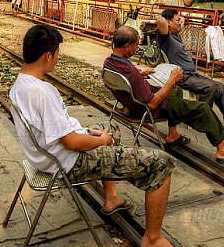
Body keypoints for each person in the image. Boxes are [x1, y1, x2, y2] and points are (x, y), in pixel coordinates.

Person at [9, 25, 176, 247]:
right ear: (48, 55)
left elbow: (64, 133)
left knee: (110, 128)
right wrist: (100, 141)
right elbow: (72, 142)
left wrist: (90, 132)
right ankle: (153, 239)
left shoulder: (20, 84)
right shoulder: (43, 93)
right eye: (57, 54)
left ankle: (111, 199)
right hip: (70, 162)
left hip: (46, 157)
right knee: (162, 163)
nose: (58, 58)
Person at [104, 26, 224, 165]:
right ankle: (223, 151)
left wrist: (141, 74)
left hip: (132, 103)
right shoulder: (131, 73)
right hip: (148, 109)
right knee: (202, 108)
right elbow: (152, 103)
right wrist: (171, 79)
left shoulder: (109, 63)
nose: (136, 49)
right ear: (127, 46)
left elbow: (130, 79)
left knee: (177, 89)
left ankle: (173, 134)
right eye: (136, 45)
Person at [155, 9, 224, 135]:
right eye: (177, 20)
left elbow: (176, 21)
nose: (180, 23)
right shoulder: (165, 36)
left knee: (220, 87)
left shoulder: (176, 34)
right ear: (168, 22)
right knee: (209, 87)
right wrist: (165, 19)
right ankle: (202, 119)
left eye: (180, 20)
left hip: (192, 74)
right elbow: (160, 20)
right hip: (182, 76)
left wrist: (179, 19)